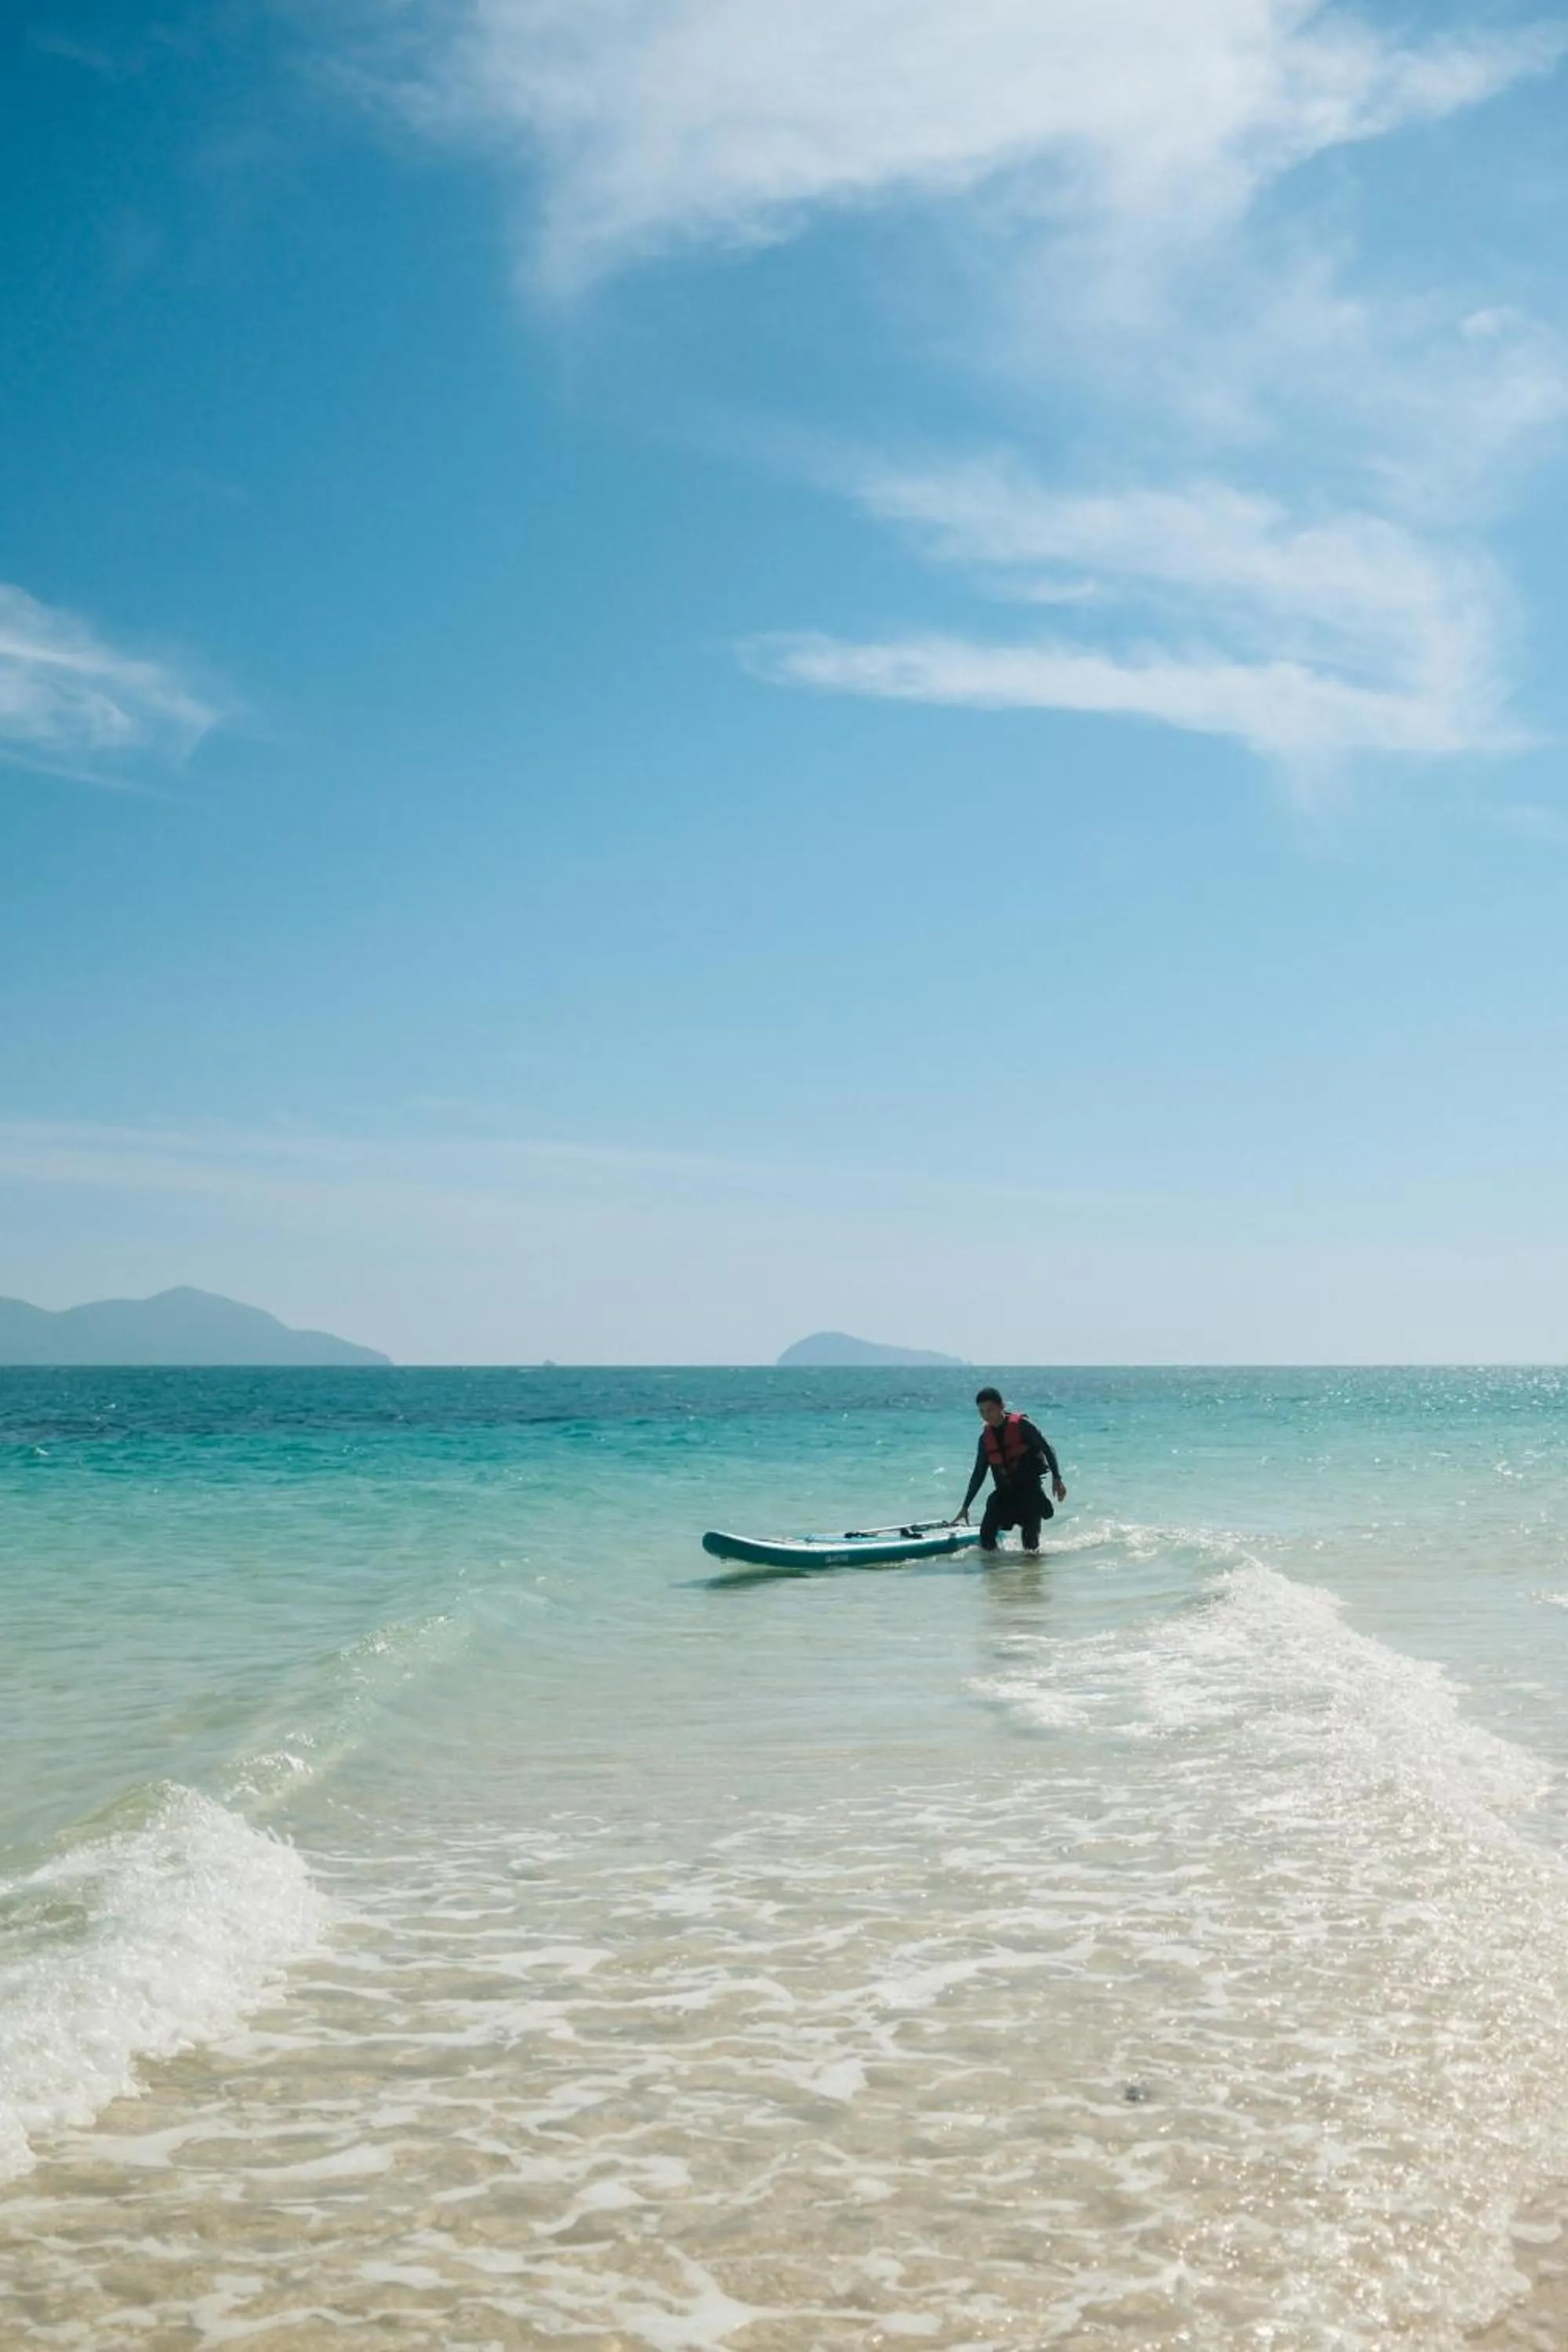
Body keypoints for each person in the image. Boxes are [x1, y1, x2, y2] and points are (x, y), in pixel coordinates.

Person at [951, 1386, 1066, 1555]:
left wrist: (1057, 1479)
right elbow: (979, 1473)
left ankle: (1033, 1577)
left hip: (1030, 1494)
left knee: (1030, 1548)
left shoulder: (1022, 1426)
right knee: (986, 1539)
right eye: (981, 1411)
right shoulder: (985, 1439)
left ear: (1001, 1406)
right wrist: (965, 1506)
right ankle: (998, 1576)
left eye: (989, 1410)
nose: (985, 1415)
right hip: (1004, 1495)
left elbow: (1047, 1449)